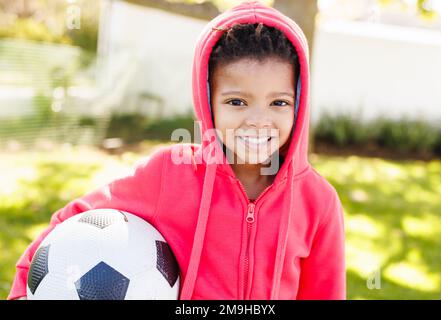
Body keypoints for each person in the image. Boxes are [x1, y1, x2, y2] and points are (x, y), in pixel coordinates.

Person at [8, 0, 345, 300]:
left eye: (279, 102)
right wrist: (24, 289)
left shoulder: (318, 202)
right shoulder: (170, 172)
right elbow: (75, 219)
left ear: (298, 104)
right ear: (208, 100)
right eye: (237, 101)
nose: (258, 121)